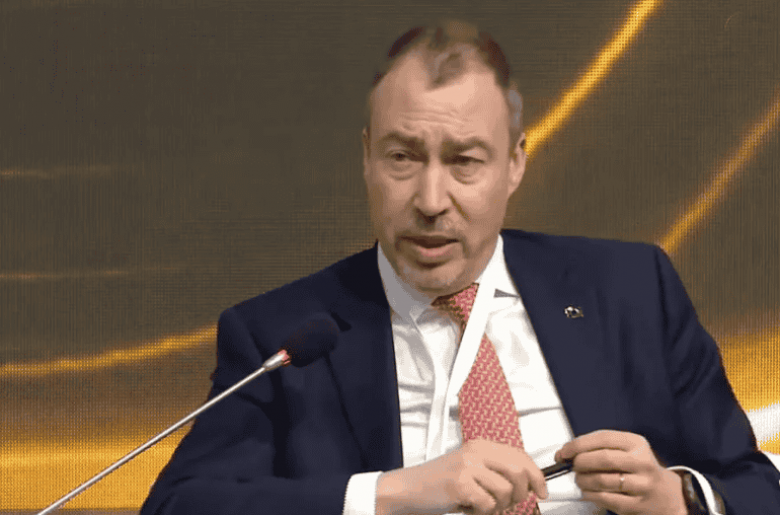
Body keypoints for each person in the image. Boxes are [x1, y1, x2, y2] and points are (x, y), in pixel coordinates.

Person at [140, 20, 780, 515]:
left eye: (465, 161)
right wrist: (388, 495)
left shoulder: (630, 287)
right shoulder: (284, 334)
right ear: (367, 159)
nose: (430, 200)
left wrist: (680, 499)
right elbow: (180, 506)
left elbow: (755, 486)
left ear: (515, 165)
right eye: (402, 157)